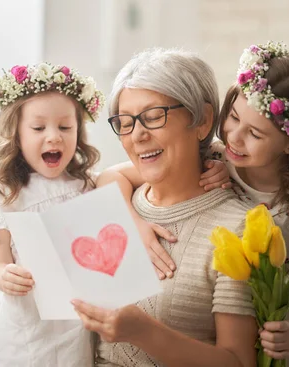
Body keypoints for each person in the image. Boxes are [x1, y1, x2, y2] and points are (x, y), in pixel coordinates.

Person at [108, 42, 289, 366]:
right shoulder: (219, 154)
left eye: (254, 132)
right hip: (248, 296)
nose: (234, 137)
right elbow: (111, 178)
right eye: (233, 117)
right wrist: (132, 222)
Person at [71, 48, 258, 367]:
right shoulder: (112, 205)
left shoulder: (236, 228)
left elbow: (239, 362)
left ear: (203, 121)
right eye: (125, 122)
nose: (138, 135)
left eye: (154, 116)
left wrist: (144, 332)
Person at [0, 62, 104, 366]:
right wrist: (3, 276)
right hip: (26, 329)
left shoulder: (86, 186)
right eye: (38, 128)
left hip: (74, 325)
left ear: (78, 131)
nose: (53, 137)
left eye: (64, 127)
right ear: (17, 135)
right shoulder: (7, 193)